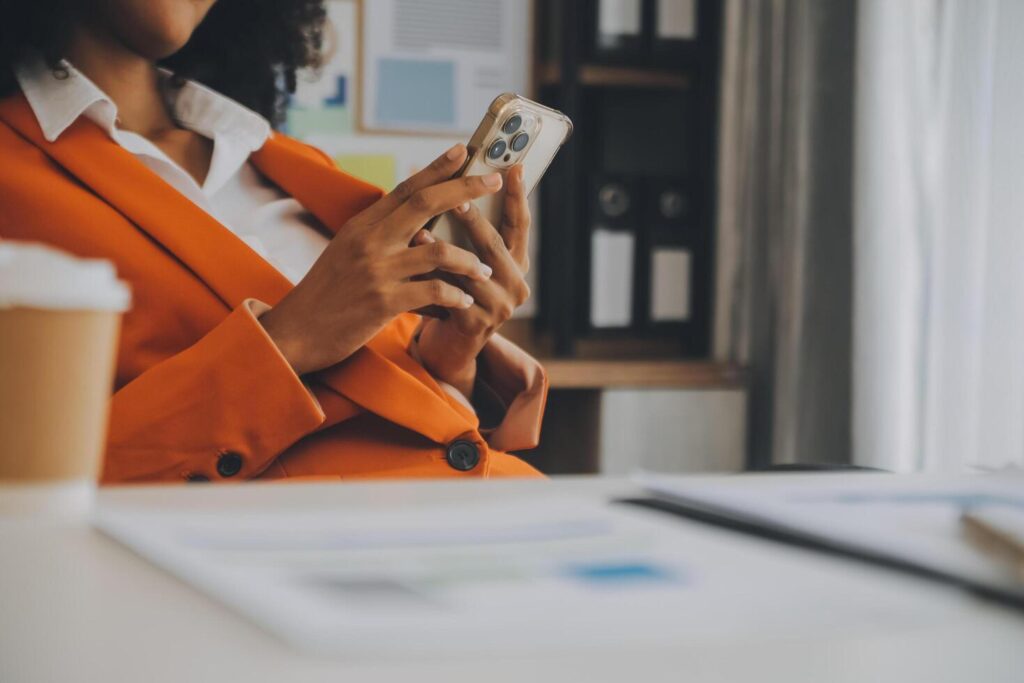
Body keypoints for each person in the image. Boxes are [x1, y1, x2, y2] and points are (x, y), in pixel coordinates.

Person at [0, 0, 546, 483]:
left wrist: (449, 360)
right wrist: (287, 342)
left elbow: (425, 424)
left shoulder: (293, 164)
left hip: (500, 510)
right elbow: (32, 481)